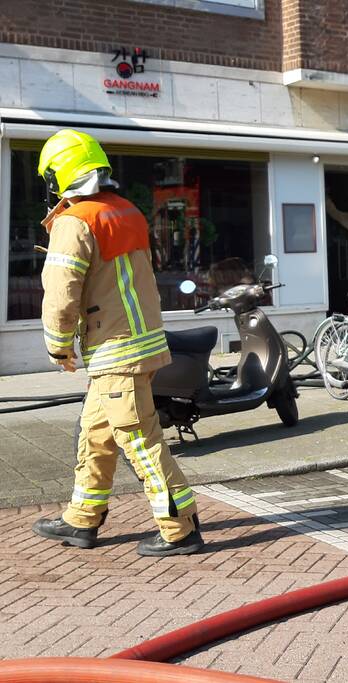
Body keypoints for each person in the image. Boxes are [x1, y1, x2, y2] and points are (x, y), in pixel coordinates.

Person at [31, 129, 203, 556]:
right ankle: (81, 520)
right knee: (95, 435)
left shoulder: (74, 221)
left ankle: (179, 528)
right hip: (138, 345)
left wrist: (57, 345)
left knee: (141, 444)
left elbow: (61, 290)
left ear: (61, 175)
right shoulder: (127, 211)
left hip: (115, 351)